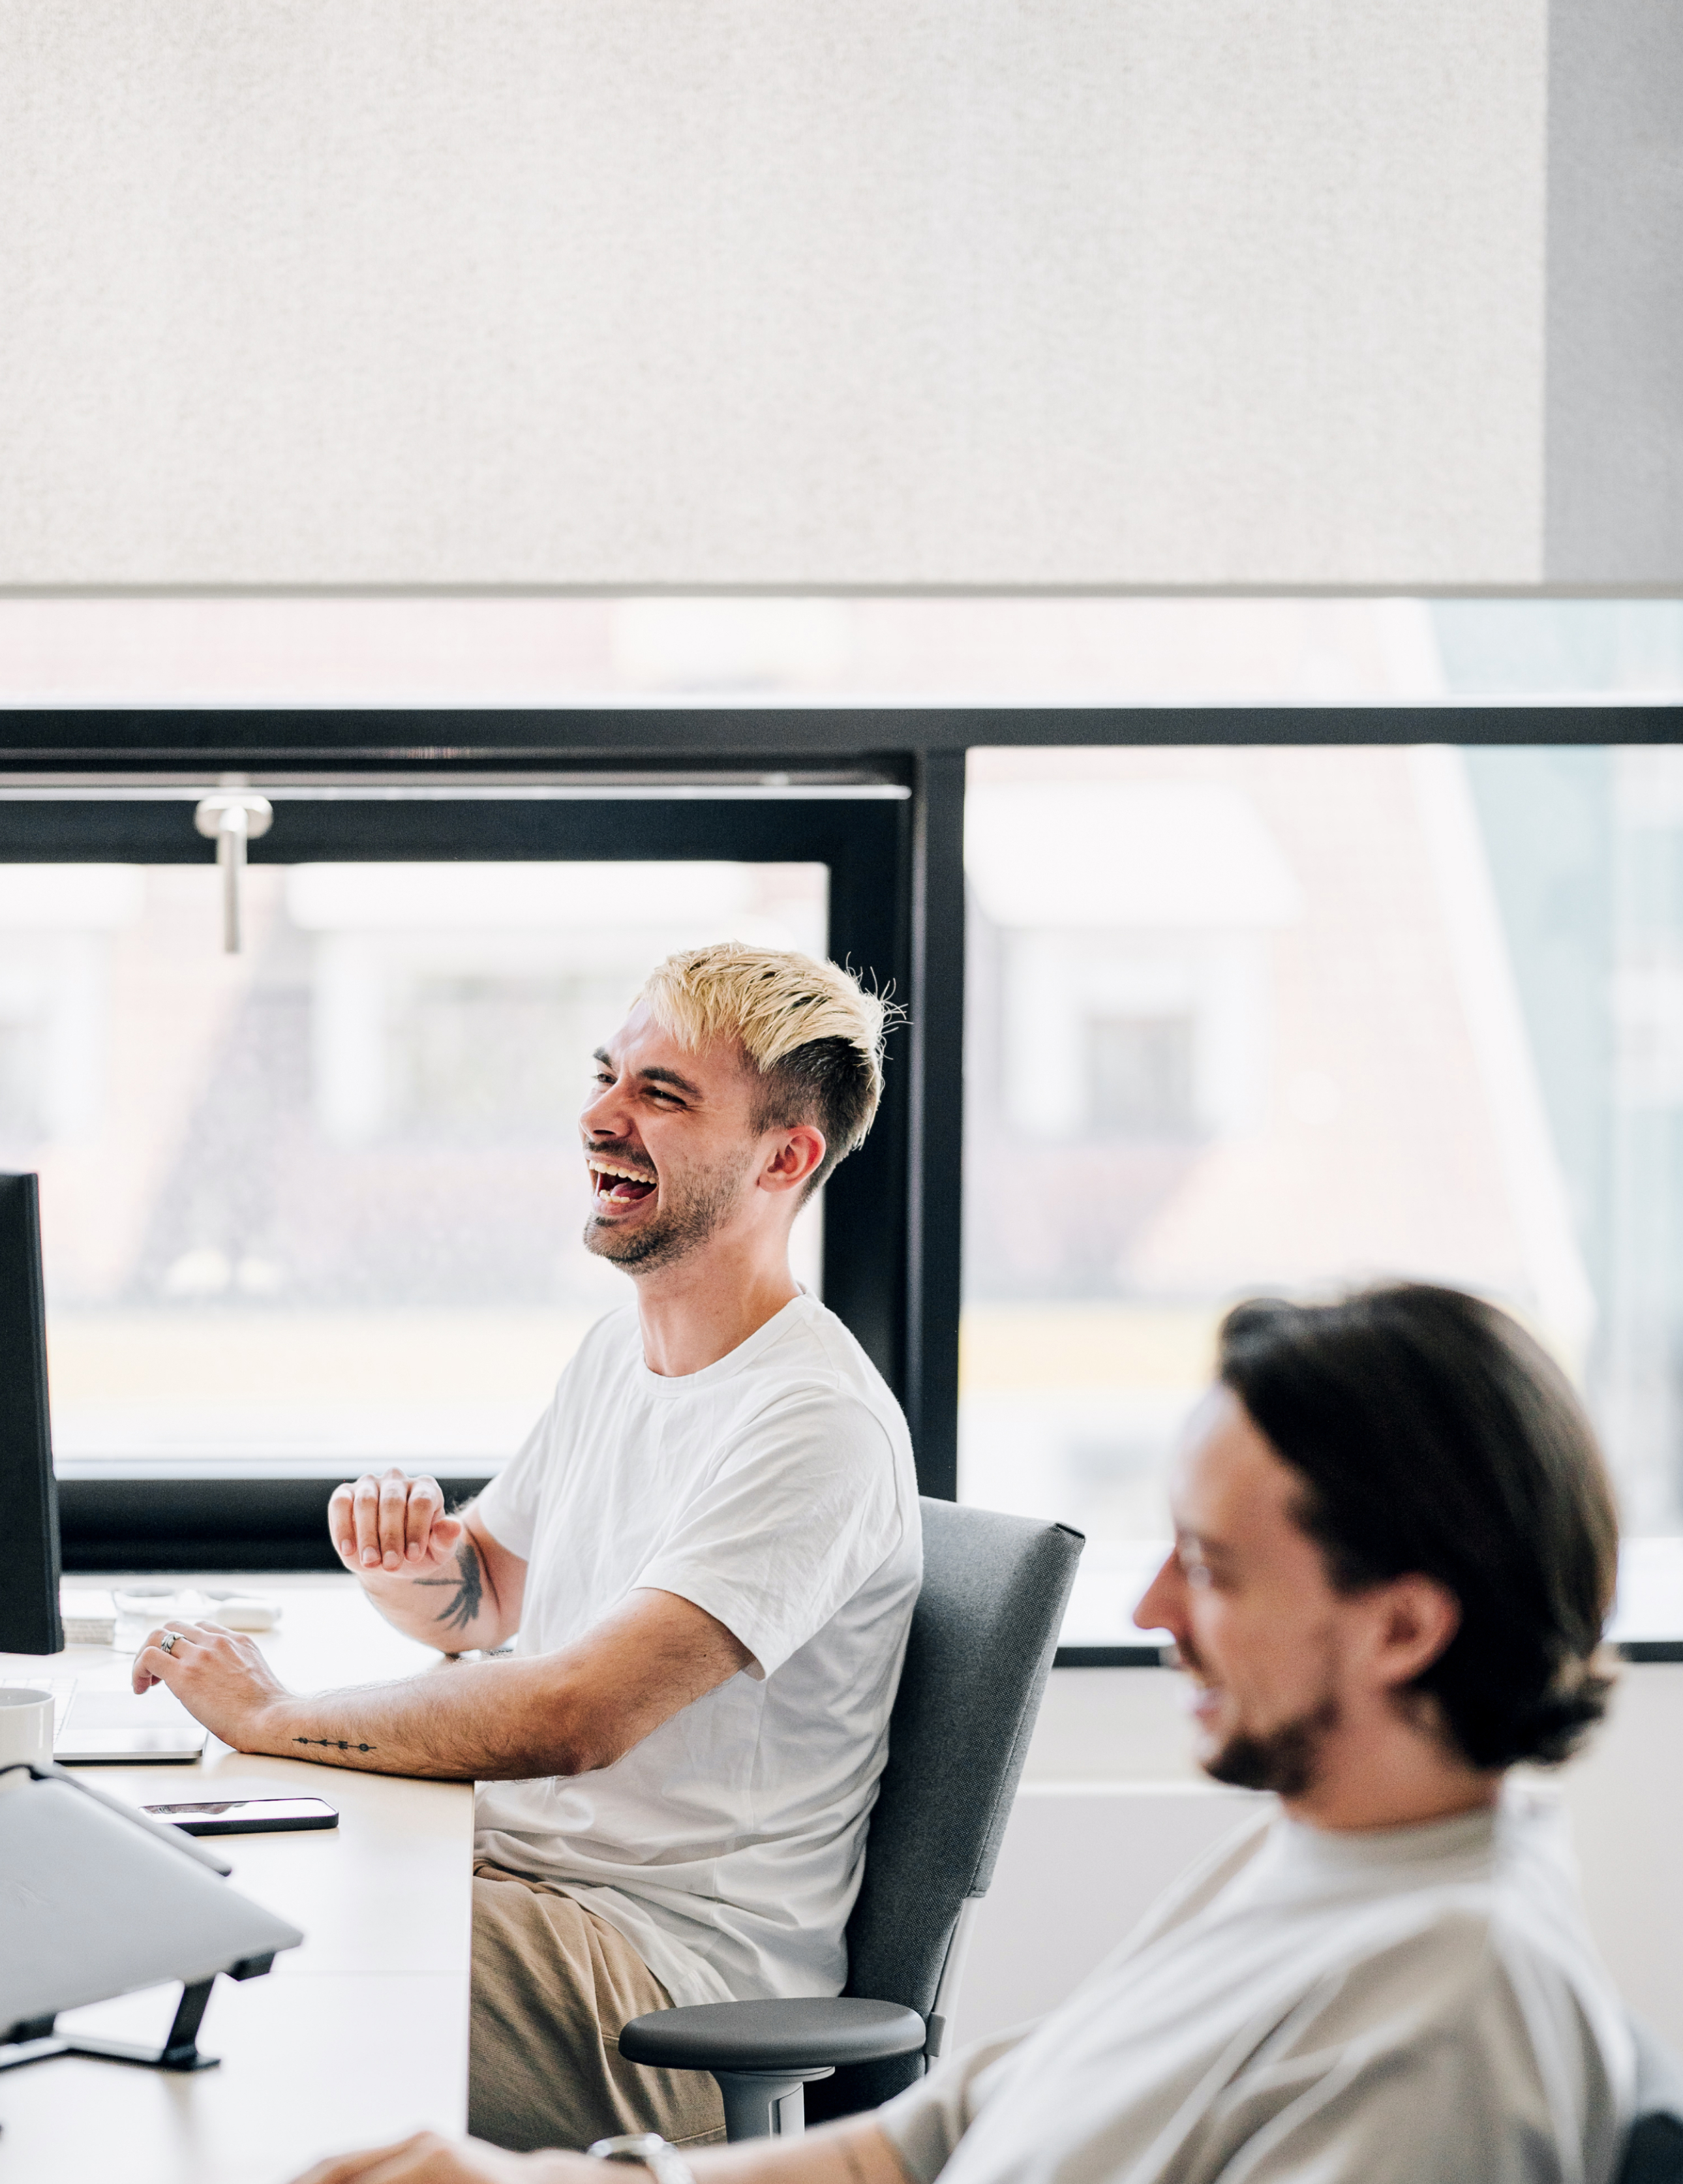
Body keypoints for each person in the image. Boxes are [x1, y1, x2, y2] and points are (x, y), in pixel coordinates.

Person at [288, 1282, 1636, 2184]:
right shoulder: (1330, 1852)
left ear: (1402, 1628)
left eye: (1214, 1569)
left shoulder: (1457, 2009)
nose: (1155, 1606)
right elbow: (931, 2137)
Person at [132, 943, 922, 2156]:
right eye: (611, 1077)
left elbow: (575, 1715)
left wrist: (270, 1716)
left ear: (785, 1157)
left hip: (657, 1989)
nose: (601, 1116)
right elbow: (484, 1599)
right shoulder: (625, 1354)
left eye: (661, 1095)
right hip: (516, 1891)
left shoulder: (815, 1424)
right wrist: (411, 1563)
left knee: (223, 1955)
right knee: (192, 1903)